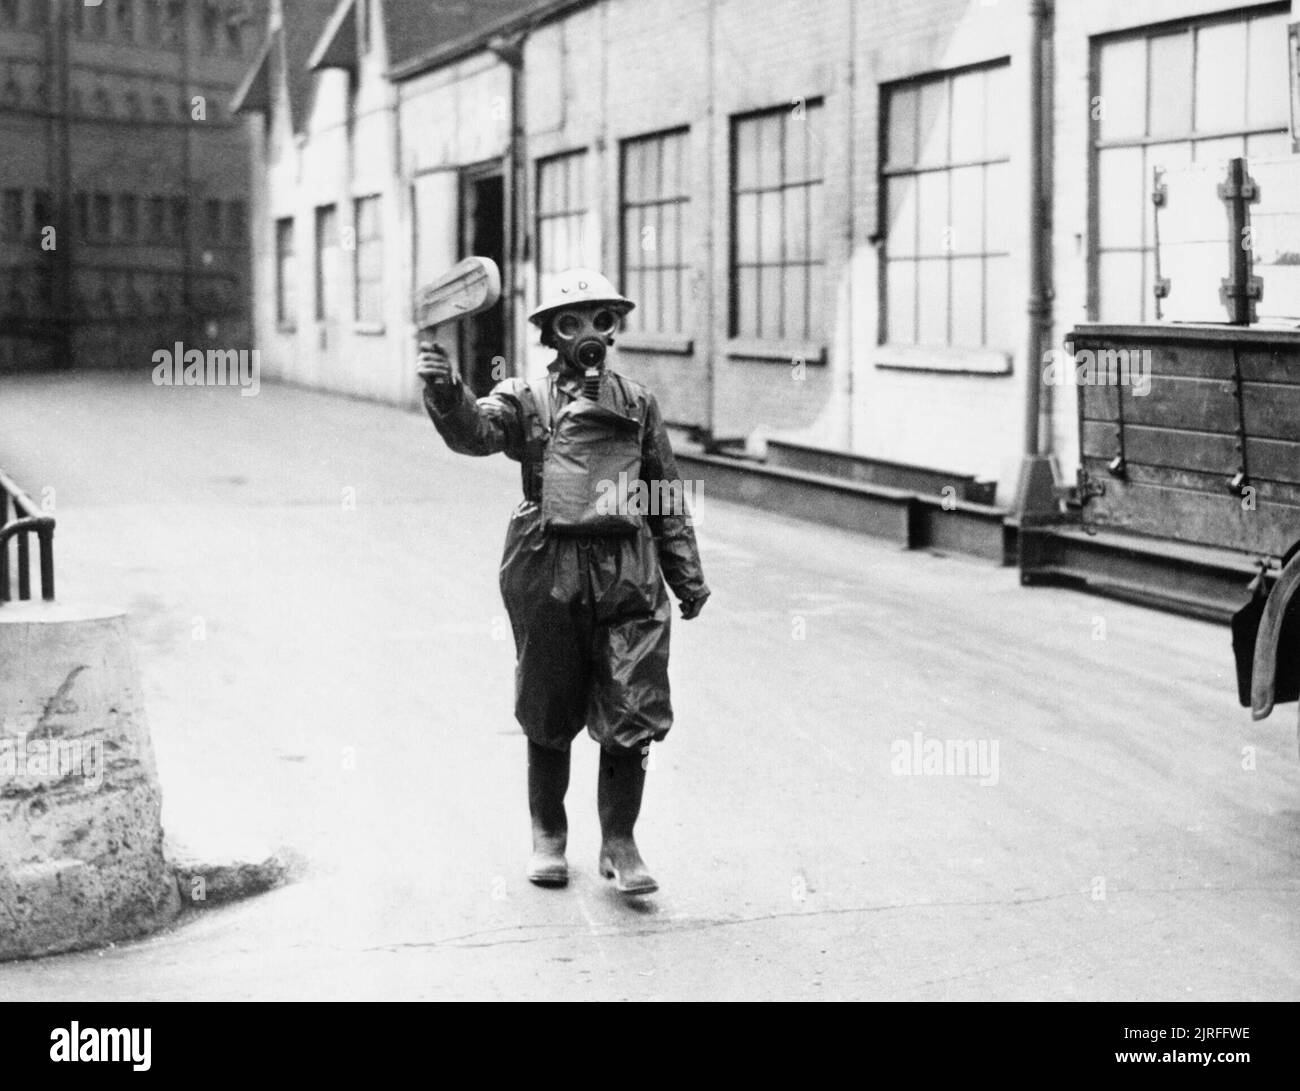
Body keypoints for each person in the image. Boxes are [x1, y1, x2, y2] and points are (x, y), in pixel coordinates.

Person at [417, 268, 709, 896]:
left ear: (615, 326)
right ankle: (548, 835)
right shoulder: (525, 398)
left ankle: (621, 841)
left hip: (627, 570)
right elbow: (477, 431)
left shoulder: (637, 402)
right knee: (548, 705)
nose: (589, 334)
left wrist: (686, 576)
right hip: (549, 567)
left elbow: (663, 493)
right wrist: (447, 392)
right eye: (572, 322)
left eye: (601, 320)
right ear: (550, 332)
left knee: (634, 705)